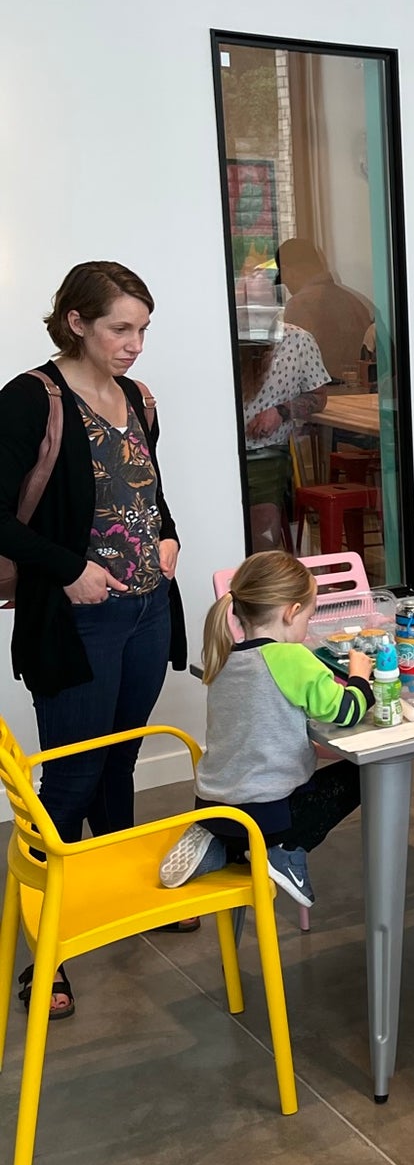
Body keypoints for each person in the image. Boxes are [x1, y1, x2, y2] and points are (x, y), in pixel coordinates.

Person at [0, 262, 187, 1020]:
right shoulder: (31, 399)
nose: (135, 344)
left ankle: (128, 894)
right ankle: (43, 955)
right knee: (70, 782)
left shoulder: (137, 399)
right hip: (76, 618)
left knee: (121, 756)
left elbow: (147, 490)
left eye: (143, 328)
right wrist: (69, 570)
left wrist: (169, 538)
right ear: (76, 322)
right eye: (121, 328)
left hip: (146, 610)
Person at [158, 552, 371, 907]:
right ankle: (285, 852)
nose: (309, 624)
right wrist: (360, 676)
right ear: (290, 612)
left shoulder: (224, 655)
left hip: (215, 809)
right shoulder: (292, 658)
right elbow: (345, 711)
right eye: (310, 614)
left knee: (246, 816)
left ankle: (220, 845)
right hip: (270, 817)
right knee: (367, 774)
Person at [239, 323, 330, 550]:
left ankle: (262, 580)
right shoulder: (221, 334)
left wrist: (282, 411)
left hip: (266, 450)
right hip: (216, 448)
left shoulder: (297, 339)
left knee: (263, 527)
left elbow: (318, 397)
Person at [277, 237, 373, 389]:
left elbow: (292, 368)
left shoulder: (299, 305)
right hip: (362, 397)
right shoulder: (356, 302)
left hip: (324, 400)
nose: (286, 284)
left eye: (283, 277)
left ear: (287, 271)